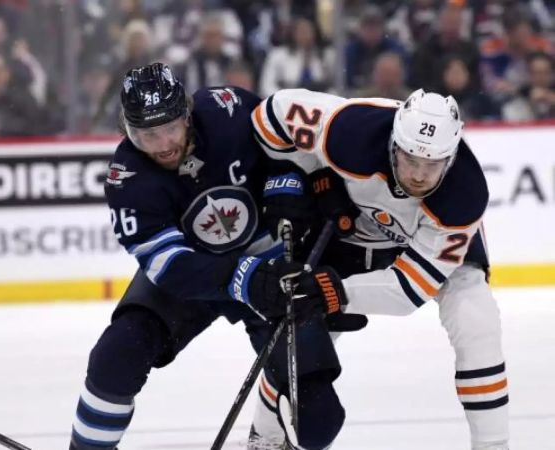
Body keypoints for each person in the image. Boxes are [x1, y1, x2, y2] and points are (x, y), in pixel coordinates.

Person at [69, 62, 364, 450]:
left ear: (187, 114)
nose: (163, 145)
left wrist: (293, 188)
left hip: (273, 269)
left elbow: (289, 152)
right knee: (117, 354)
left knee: (318, 419)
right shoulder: (127, 180)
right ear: (127, 131)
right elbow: (170, 266)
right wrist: (244, 277)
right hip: (195, 276)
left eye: (170, 128)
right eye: (146, 135)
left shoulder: (229, 110)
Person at [248, 87, 509, 449]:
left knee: (477, 324)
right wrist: (303, 177)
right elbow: (271, 115)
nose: (418, 175)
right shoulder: (351, 131)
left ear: (450, 160)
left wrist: (335, 293)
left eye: (432, 165)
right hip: (350, 229)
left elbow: (408, 290)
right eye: (409, 159)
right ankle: (266, 437)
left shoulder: (462, 196)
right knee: (301, 335)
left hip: (425, 242)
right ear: (392, 143)